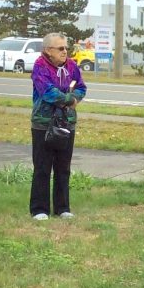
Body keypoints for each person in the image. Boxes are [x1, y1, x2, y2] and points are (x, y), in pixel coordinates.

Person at [29, 32, 87, 221]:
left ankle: (62, 207)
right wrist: (69, 100)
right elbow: (48, 92)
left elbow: (81, 87)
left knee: (63, 166)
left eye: (66, 48)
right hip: (43, 123)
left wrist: (75, 97)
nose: (65, 51)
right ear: (48, 50)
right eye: (60, 48)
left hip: (67, 122)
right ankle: (39, 209)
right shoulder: (40, 66)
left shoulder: (71, 66)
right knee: (42, 167)